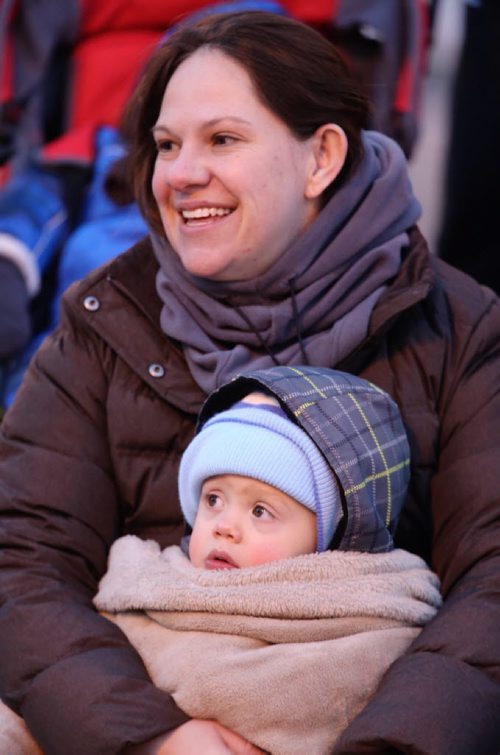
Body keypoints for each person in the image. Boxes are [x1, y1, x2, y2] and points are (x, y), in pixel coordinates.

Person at [0, 9, 499, 755]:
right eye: (167, 145)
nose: (182, 173)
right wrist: (150, 738)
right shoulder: (107, 319)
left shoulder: (455, 328)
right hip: (140, 700)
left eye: (223, 139)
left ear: (321, 157)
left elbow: (491, 575)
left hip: (363, 706)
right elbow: (23, 555)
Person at [0, 365, 443, 754]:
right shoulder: (150, 593)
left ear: (329, 541)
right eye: (213, 499)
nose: (224, 526)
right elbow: (51, 707)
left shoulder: (363, 627)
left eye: (260, 511)